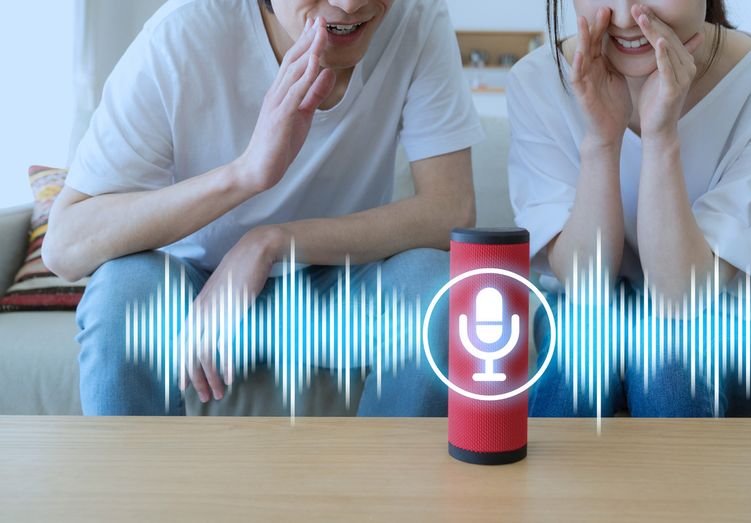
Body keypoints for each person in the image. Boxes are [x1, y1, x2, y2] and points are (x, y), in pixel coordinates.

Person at [44, 0, 484, 416]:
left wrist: (270, 243)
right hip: (197, 290)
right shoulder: (180, 34)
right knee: (122, 295)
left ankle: (393, 493)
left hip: (340, 283)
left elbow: (451, 208)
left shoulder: (417, 18)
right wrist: (246, 173)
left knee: (446, 291)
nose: (351, 4)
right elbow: (65, 246)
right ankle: (137, 497)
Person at [508, 0, 751, 417]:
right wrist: (602, 141)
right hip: (591, 312)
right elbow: (585, 286)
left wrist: (660, 137)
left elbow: (681, 298)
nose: (622, 15)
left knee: (669, 361)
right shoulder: (537, 81)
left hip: (738, 319)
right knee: (580, 354)